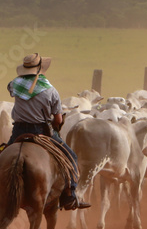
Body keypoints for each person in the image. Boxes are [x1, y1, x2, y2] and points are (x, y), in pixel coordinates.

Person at [6, 53, 89, 211]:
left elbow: (10, 87)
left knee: (0, 155)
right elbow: (57, 120)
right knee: (71, 156)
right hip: (41, 131)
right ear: (40, 70)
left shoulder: (15, 84)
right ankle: (70, 195)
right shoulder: (51, 90)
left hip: (18, 131)